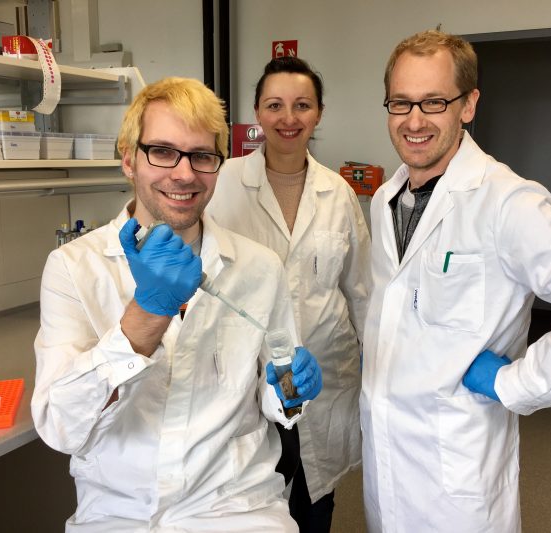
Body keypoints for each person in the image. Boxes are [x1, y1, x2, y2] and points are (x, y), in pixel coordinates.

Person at [362, 29, 551, 533]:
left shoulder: (508, 203)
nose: (414, 120)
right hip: (387, 453)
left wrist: (515, 384)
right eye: (400, 103)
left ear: (468, 105)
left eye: (434, 102)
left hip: (457, 469)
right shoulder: (385, 199)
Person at [31, 76, 324, 532]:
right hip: (118, 513)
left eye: (202, 156)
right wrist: (147, 313)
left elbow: (277, 389)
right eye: (163, 151)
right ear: (129, 159)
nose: (184, 174)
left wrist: (291, 390)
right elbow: (61, 427)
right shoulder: (74, 268)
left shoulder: (259, 267)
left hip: (237, 508)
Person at [207, 56, 371, 532]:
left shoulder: (338, 192)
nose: (288, 118)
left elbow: (361, 290)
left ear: (318, 114)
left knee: (315, 500)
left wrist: (378, 364)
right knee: (252, 503)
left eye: (302, 105)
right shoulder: (224, 184)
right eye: (274, 105)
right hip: (244, 373)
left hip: (324, 371)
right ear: (257, 113)